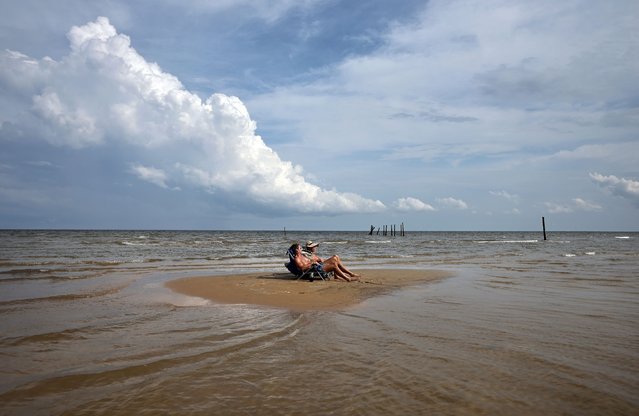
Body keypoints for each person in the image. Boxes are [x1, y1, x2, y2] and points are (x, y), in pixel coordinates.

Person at [292, 242, 360, 282]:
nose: (302, 249)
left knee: (335, 258)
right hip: (314, 269)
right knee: (334, 264)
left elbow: (311, 260)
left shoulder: (302, 255)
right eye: (300, 248)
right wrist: (312, 263)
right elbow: (302, 268)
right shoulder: (297, 259)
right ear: (296, 250)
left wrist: (313, 261)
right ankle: (347, 278)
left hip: (316, 266)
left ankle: (349, 275)